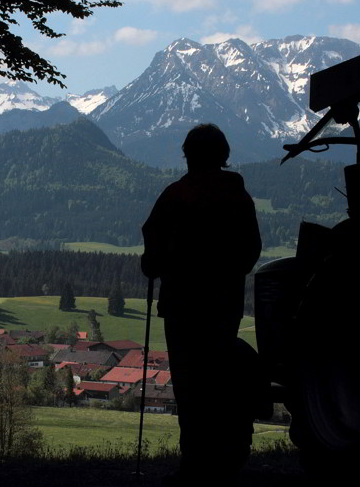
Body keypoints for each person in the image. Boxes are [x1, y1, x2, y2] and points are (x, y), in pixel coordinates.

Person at [141, 123, 262, 484]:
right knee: (221, 376)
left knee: (190, 384)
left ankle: (194, 462)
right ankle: (232, 456)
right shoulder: (238, 196)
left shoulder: (176, 194)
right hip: (224, 304)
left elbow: (153, 247)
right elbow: (251, 249)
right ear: (223, 156)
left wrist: (157, 264)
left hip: (181, 305)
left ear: (189, 154)